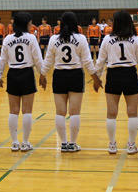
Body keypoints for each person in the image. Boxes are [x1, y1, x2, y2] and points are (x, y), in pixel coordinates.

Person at [93, 11, 138, 155]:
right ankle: (131, 145)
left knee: (111, 113)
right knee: (132, 113)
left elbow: (100, 62)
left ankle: (112, 145)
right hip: (130, 75)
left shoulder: (107, 39)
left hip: (113, 75)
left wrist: (97, 79)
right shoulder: (135, 39)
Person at [39, 12, 96, 152]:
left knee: (60, 112)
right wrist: (95, 77)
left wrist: (42, 74)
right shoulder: (81, 38)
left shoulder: (54, 39)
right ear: (75, 23)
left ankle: (63, 144)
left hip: (59, 75)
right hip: (75, 74)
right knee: (74, 112)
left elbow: (48, 60)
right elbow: (87, 61)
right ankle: (72, 143)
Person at [0, 12, 43, 151]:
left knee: (13, 111)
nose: (31, 25)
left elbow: (2, 60)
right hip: (27, 73)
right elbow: (37, 58)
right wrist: (42, 74)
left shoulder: (7, 39)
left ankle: (14, 142)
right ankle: (25, 142)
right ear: (25, 24)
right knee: (27, 111)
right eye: (30, 23)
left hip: (13, 74)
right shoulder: (31, 38)